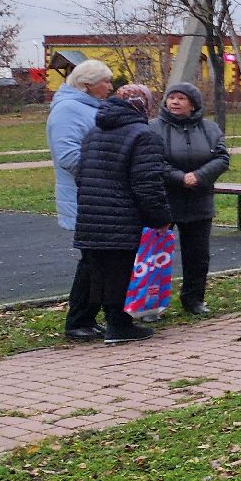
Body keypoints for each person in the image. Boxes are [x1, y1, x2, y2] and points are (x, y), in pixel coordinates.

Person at [74, 84, 171, 344]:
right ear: (144, 106)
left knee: (98, 272)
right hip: (123, 216)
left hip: (91, 214)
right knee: (122, 271)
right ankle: (119, 326)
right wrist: (160, 217)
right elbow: (147, 183)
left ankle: (86, 322)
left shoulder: (94, 132)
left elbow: (81, 175)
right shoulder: (143, 135)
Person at [48, 59, 113, 341]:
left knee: (98, 261)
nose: (110, 87)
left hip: (96, 195)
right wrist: (108, 172)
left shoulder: (89, 107)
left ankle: (87, 318)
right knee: (92, 261)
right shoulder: (67, 110)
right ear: (87, 85)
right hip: (84, 196)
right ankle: (77, 321)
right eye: (105, 82)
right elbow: (67, 156)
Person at [153, 82, 230, 317]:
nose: (175, 102)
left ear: (193, 104)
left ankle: (194, 299)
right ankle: (151, 303)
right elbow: (152, 160)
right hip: (164, 200)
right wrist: (179, 178)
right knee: (155, 255)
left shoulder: (210, 129)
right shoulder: (153, 128)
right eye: (171, 98)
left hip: (199, 199)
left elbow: (222, 158)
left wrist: (198, 176)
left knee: (197, 255)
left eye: (181, 98)